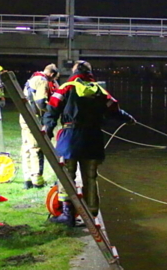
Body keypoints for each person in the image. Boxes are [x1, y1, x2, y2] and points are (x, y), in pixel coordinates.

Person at [43, 60, 134, 226]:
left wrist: (48, 130)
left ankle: (67, 214)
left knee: (66, 177)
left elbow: (52, 109)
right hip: (93, 139)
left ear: (75, 71)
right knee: (90, 178)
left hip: (69, 138)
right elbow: (114, 109)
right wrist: (128, 118)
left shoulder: (66, 87)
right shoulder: (99, 90)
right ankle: (91, 216)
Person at [20, 63, 59, 188]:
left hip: (24, 116)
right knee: (36, 148)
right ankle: (37, 180)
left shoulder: (32, 79)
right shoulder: (43, 81)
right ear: (51, 74)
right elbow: (40, 101)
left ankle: (27, 178)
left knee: (26, 146)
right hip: (34, 118)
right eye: (54, 79)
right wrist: (49, 112)